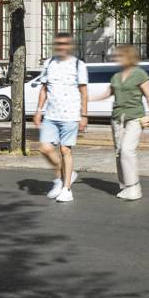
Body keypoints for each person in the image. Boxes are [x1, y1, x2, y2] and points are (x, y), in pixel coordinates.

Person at [33, 32, 88, 202]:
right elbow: (44, 89)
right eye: (59, 44)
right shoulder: (49, 63)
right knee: (45, 148)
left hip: (70, 115)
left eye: (65, 44)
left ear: (70, 46)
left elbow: (84, 92)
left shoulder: (78, 65)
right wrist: (38, 111)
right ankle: (61, 177)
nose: (61, 47)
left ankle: (66, 189)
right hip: (51, 115)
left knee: (65, 151)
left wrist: (84, 115)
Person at [109, 44, 149, 200]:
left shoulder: (140, 74)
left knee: (127, 150)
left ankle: (134, 187)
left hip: (135, 117)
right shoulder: (116, 76)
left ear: (128, 56)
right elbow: (108, 93)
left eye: (120, 55)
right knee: (119, 153)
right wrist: (87, 99)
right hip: (117, 118)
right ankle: (125, 186)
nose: (116, 58)